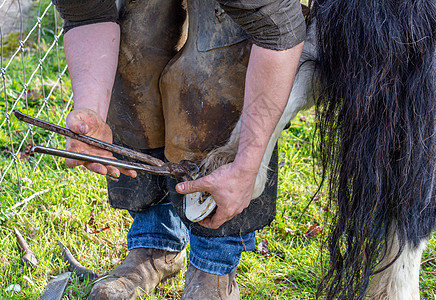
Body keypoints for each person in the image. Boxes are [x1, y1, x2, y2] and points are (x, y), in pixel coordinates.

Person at [52, 0, 306, 299]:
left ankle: (213, 266)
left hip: (257, 14)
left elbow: (276, 31)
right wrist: (91, 109)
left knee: (216, 67)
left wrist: (249, 163)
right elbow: (89, 12)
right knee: (135, 41)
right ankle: (155, 243)